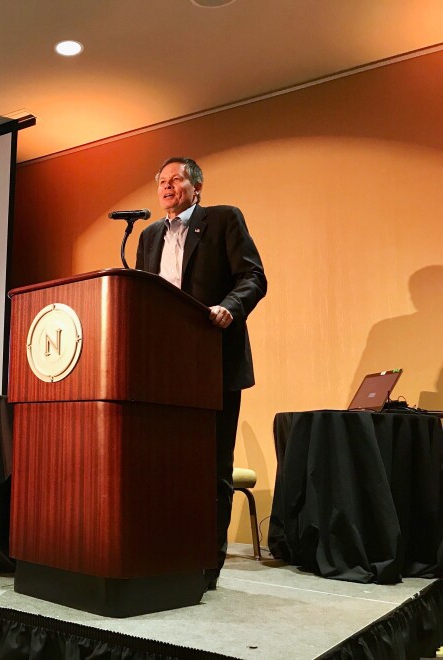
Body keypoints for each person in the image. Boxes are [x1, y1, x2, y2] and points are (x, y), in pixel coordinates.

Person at [136, 156, 267, 590]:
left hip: (214, 359)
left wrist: (230, 308)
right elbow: (142, 294)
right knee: (164, 462)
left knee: (212, 466)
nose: (167, 186)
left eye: (176, 179)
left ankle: (207, 564)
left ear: (197, 188)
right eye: (162, 181)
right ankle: (165, 550)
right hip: (164, 367)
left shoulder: (223, 219)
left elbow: (253, 276)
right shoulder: (149, 234)